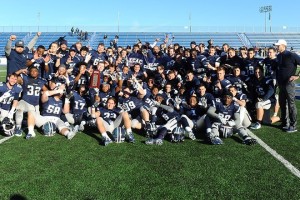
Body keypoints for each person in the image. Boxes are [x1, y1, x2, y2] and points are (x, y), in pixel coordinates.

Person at [275, 39, 300, 133]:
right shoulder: (279, 56)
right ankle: (285, 123)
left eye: (278, 45)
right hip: (281, 84)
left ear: (283, 45)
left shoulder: (291, 55)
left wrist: (297, 75)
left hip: (289, 84)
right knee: (282, 103)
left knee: (291, 104)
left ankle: (293, 125)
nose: (276, 47)